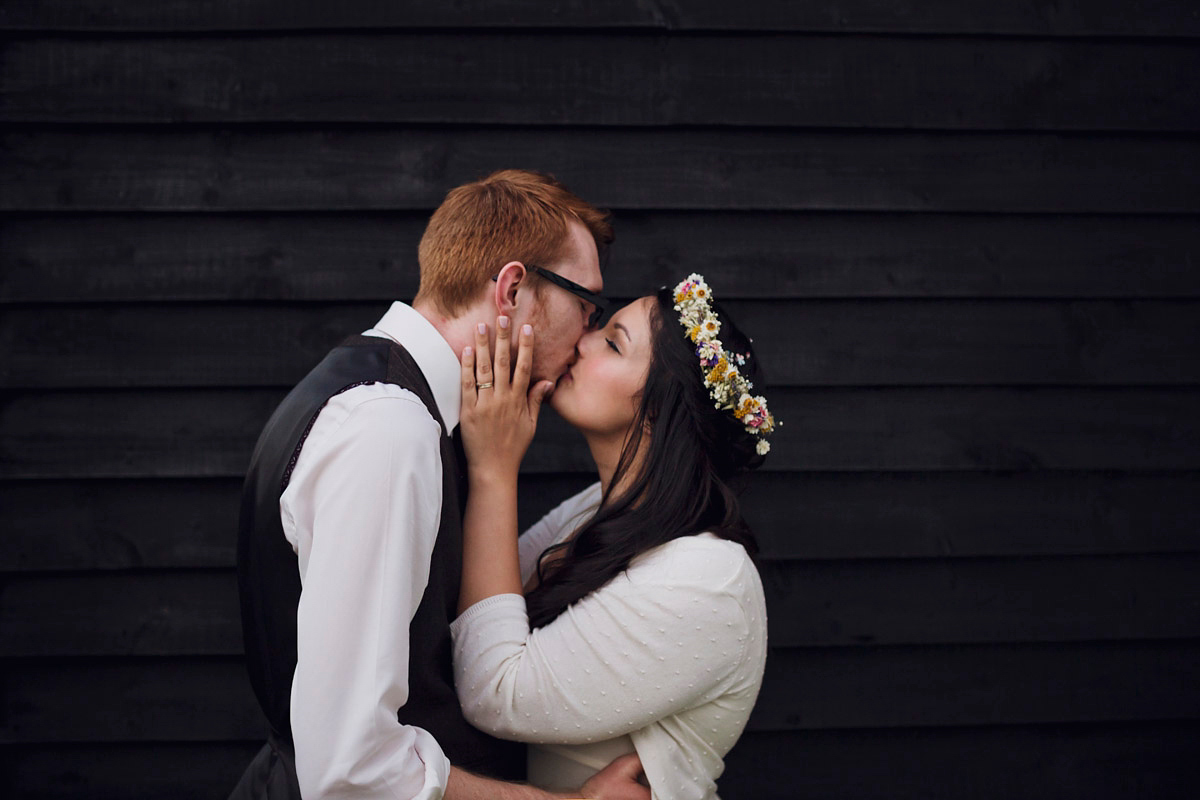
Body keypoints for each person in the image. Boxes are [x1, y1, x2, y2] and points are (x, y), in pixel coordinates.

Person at [230, 169, 649, 799]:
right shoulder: (388, 428)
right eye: (585, 305)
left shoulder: (409, 412)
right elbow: (353, 772)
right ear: (512, 290)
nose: (590, 334)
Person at [452, 274, 776, 799]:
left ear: (656, 411)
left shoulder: (707, 577)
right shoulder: (596, 509)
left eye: (611, 342)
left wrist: (493, 466)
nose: (579, 340)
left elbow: (494, 690)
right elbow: (480, 609)